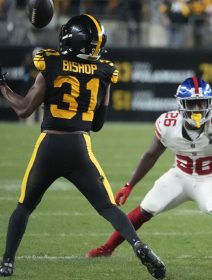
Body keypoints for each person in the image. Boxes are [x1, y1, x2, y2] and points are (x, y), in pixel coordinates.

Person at [0, 14, 165, 279]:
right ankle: (138, 244)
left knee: (24, 206)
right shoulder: (104, 71)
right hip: (79, 146)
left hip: (50, 145)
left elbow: (23, 109)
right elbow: (98, 123)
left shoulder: (51, 63)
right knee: (108, 207)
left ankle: (7, 262)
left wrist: (3, 87)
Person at [85, 77, 212, 259]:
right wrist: (129, 184)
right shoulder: (168, 125)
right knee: (148, 206)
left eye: (202, 103)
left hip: (211, 177)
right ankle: (108, 247)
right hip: (180, 175)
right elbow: (150, 155)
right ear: (181, 104)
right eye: (192, 104)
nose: (197, 109)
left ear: (210, 103)